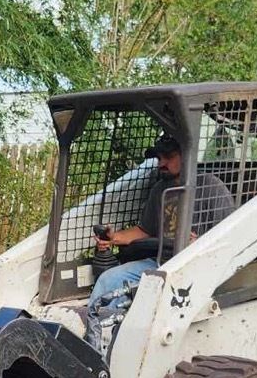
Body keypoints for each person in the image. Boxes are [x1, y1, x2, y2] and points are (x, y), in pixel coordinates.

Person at [87, 134, 234, 315]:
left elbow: (230, 235)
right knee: (108, 280)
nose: (161, 164)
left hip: (196, 269)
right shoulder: (159, 190)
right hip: (160, 262)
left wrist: (200, 244)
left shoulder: (211, 187)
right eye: (159, 158)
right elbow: (144, 230)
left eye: (169, 157)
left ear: (187, 155)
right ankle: (96, 331)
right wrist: (114, 238)